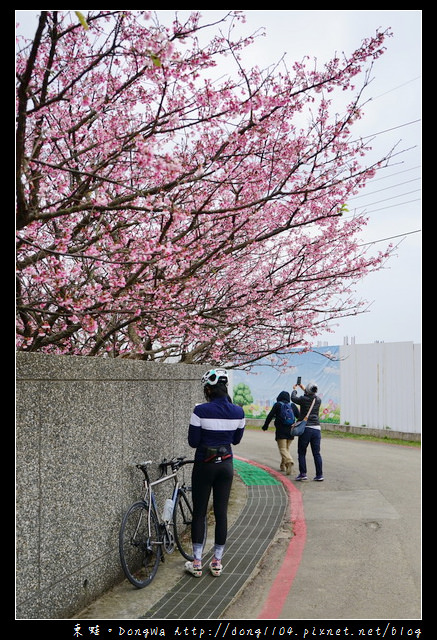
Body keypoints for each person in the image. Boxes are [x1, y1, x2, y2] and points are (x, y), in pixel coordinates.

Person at [185, 368, 245, 578]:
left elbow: (193, 442)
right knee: (221, 513)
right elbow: (236, 440)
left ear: (208, 389)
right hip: (226, 465)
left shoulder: (200, 411)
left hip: (204, 464)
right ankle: (217, 562)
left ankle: (197, 562)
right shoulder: (239, 411)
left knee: (199, 513)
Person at [291, 381, 324, 481]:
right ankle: (319, 475)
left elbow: (293, 398)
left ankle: (303, 474)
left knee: (302, 452)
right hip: (317, 429)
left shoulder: (303, 399)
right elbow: (311, 394)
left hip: (306, 429)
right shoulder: (318, 400)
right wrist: (303, 387)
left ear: (307, 391)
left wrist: (295, 389)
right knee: (316, 453)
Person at [261, 391, 298, 475]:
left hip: (281, 430)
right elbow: (299, 416)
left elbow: (270, 415)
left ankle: (289, 461)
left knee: (282, 449)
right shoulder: (292, 406)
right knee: (286, 449)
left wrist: (265, 426)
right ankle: (283, 466)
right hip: (291, 431)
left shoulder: (278, 405)